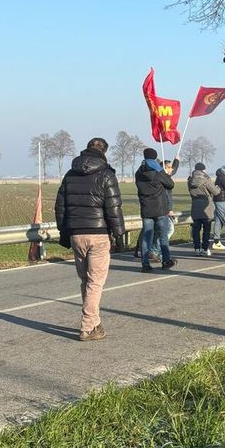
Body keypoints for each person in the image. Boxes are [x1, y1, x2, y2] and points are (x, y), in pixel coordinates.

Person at [55, 137, 125, 342]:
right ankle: (87, 326)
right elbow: (113, 209)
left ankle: (94, 323)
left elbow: (60, 207)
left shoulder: (69, 174)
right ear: (104, 151)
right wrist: (119, 235)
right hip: (99, 233)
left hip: (77, 233)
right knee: (95, 282)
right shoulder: (107, 174)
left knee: (85, 281)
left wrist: (64, 232)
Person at [135, 147, 179, 272]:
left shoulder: (138, 172)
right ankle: (166, 261)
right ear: (154, 157)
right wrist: (165, 173)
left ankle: (145, 264)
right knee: (163, 235)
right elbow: (170, 184)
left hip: (146, 208)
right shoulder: (158, 171)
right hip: (159, 208)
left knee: (147, 236)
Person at [188, 162, 221, 255]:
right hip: (206, 207)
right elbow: (215, 192)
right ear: (203, 170)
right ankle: (205, 248)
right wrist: (217, 188)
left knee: (196, 229)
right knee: (206, 229)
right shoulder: (206, 180)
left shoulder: (190, 180)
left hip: (195, 205)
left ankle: (196, 249)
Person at [152, 159, 177, 258]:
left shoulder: (165, 177)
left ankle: (156, 251)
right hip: (163, 209)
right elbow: (166, 195)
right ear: (164, 168)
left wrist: (177, 160)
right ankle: (156, 250)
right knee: (168, 230)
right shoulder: (163, 179)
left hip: (163, 208)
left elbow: (174, 170)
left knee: (160, 232)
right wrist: (169, 209)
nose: (171, 169)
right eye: (169, 167)